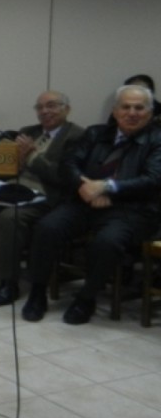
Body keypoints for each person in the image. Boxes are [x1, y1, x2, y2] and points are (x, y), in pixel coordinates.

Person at [21, 84, 161, 325]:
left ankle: (86, 298)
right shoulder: (96, 133)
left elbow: (153, 179)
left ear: (149, 113)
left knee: (107, 242)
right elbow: (68, 164)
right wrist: (85, 186)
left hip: (131, 210)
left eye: (139, 108)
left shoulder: (157, 139)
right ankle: (37, 293)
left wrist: (107, 187)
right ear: (115, 111)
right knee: (47, 227)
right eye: (126, 107)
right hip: (84, 201)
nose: (132, 113)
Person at [0, 91, 84, 306]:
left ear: (66, 109)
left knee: (9, 218)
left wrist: (32, 156)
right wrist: (9, 155)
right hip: (14, 190)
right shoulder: (28, 131)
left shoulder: (77, 136)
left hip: (47, 196)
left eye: (51, 106)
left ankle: (9, 283)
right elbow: (10, 167)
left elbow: (63, 176)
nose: (45, 111)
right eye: (40, 107)